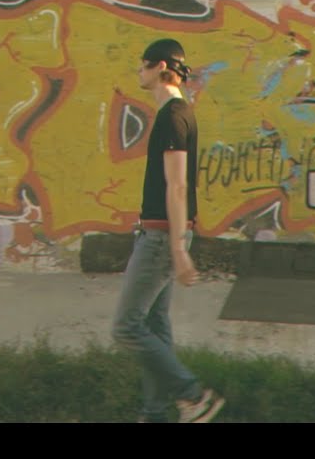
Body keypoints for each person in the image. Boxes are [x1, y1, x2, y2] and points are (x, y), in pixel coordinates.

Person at [111, 38, 225, 424]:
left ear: (161, 67)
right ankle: (156, 413)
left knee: (126, 326)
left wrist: (177, 248)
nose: (138, 71)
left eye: (142, 64)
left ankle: (194, 395)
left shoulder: (173, 116)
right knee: (155, 327)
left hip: (163, 239)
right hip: (161, 234)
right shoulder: (177, 112)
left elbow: (178, 186)